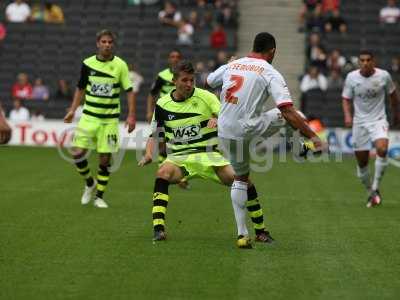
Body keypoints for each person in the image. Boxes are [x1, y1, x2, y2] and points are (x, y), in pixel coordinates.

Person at [207, 32, 325, 247]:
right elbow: (287, 111)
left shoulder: (233, 65)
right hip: (248, 128)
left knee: (241, 178)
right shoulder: (270, 72)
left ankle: (242, 235)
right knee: (296, 115)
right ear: (272, 51)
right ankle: (297, 147)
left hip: (225, 130)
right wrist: (315, 138)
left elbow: (208, 81)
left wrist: (228, 65)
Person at [139, 60, 273, 247]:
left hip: (210, 156)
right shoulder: (162, 104)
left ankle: (261, 231)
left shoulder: (206, 97)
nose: (189, 84)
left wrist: (217, 119)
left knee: (243, 181)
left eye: (192, 80)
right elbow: (154, 134)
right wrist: (148, 154)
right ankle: (158, 229)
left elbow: (227, 116)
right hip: (179, 158)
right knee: (162, 173)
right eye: (184, 80)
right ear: (174, 81)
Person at [63, 29, 136, 208]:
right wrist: (73, 110)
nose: (107, 45)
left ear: (113, 45)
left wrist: (132, 115)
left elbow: (129, 91)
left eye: (110, 42)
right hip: (89, 117)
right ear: (98, 43)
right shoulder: (87, 64)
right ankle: (89, 183)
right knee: (77, 153)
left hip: (110, 120)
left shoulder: (120, 65)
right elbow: (80, 89)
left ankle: (99, 197)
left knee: (105, 160)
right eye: (103, 42)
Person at [342, 50, 399, 207]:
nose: (365, 63)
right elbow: (346, 99)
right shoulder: (351, 78)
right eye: (362, 60)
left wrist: (396, 114)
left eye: (368, 60)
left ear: (374, 61)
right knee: (362, 163)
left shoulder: (383, 76)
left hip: (378, 120)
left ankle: (375, 188)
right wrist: (347, 115)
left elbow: (393, 95)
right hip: (359, 123)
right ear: (359, 62)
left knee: (382, 149)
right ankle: (370, 191)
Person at [146, 50, 182, 122]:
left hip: (180, 109)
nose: (175, 59)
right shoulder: (162, 75)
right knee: (159, 132)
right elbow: (152, 94)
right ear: (169, 59)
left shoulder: (185, 75)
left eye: (178, 57)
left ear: (181, 60)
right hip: (164, 109)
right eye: (173, 57)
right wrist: (149, 112)